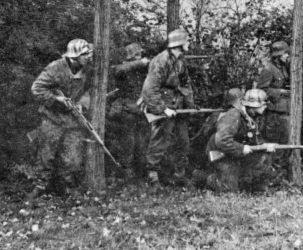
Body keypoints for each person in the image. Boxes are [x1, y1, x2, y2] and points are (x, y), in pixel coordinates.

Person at [29, 38, 93, 197]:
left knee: (73, 158)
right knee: (46, 156)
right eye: (84, 55)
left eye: (88, 54)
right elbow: (37, 88)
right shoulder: (55, 68)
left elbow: (90, 91)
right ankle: (40, 187)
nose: (88, 57)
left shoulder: (88, 70)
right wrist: (56, 99)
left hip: (73, 119)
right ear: (74, 56)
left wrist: (82, 104)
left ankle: (68, 188)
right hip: (52, 118)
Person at [141, 29, 195, 186]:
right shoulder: (161, 61)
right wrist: (163, 109)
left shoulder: (180, 61)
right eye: (187, 41)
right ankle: (152, 177)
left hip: (178, 106)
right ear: (180, 43)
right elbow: (149, 89)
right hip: (162, 105)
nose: (189, 44)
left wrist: (190, 106)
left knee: (183, 140)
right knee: (159, 141)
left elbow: (186, 84)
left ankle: (179, 175)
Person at [201, 89, 275, 193]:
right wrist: (242, 148)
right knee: (229, 191)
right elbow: (222, 140)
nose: (265, 106)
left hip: (235, 153)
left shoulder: (251, 117)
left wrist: (264, 146)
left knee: (264, 155)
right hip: (222, 154)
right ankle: (205, 178)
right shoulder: (233, 115)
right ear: (253, 105)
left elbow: (253, 138)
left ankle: (257, 188)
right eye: (263, 104)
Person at [108, 43, 150, 180]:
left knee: (141, 144)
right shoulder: (123, 68)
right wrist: (139, 63)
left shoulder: (142, 70)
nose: (140, 57)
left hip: (141, 112)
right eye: (137, 55)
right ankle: (126, 173)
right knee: (128, 144)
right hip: (127, 112)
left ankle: (140, 174)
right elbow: (116, 71)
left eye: (140, 55)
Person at [256, 41, 290, 171]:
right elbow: (261, 90)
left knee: (285, 143)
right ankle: (271, 172)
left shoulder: (283, 68)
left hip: (284, 111)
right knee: (274, 143)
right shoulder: (268, 70)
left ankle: (278, 171)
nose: (287, 56)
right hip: (274, 113)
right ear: (278, 55)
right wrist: (279, 92)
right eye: (285, 53)